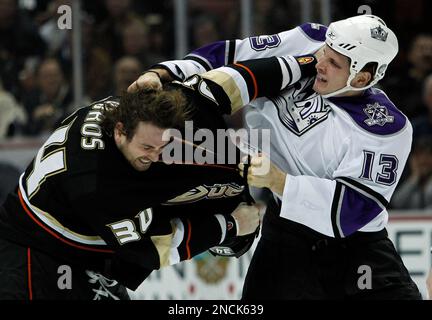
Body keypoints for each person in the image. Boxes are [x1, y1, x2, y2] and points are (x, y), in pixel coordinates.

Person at [132, 15, 422, 299]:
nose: (318, 63)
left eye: (334, 63)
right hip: (287, 235)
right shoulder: (307, 40)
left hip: (356, 253)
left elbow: (352, 211)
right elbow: (229, 53)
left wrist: (280, 181)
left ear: (361, 77)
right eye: (325, 52)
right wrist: (161, 73)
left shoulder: (385, 128)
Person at [0, 76, 271, 299]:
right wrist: (230, 225)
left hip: (79, 249)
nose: (156, 156)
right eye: (148, 148)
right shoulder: (98, 184)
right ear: (120, 131)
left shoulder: (123, 115)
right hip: (32, 250)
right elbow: (155, 247)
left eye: (161, 147)